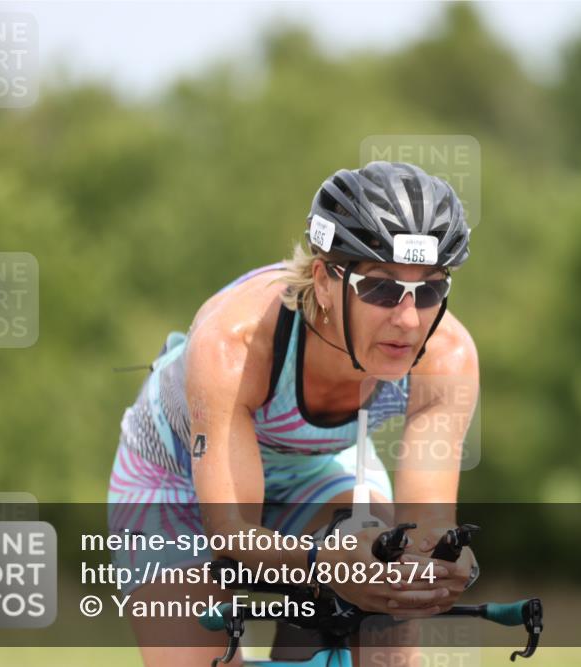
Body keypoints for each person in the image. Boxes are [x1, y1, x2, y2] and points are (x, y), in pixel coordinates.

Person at [107, 161, 480, 666]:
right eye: (381, 288)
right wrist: (324, 565)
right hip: (175, 483)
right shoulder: (235, 341)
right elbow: (232, 532)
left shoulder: (447, 356)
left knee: (389, 595)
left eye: (430, 289)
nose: (408, 319)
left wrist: (439, 565)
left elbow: (428, 528)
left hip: (313, 472)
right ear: (325, 280)